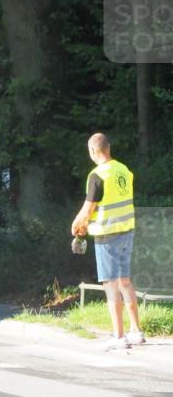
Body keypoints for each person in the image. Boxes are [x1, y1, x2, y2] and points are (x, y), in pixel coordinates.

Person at [70, 132, 144, 350]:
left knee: (110, 284)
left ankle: (119, 336)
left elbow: (89, 207)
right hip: (126, 231)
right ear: (108, 148)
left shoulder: (96, 175)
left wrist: (77, 224)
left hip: (107, 235)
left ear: (93, 151)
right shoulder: (124, 170)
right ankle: (136, 332)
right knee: (125, 281)